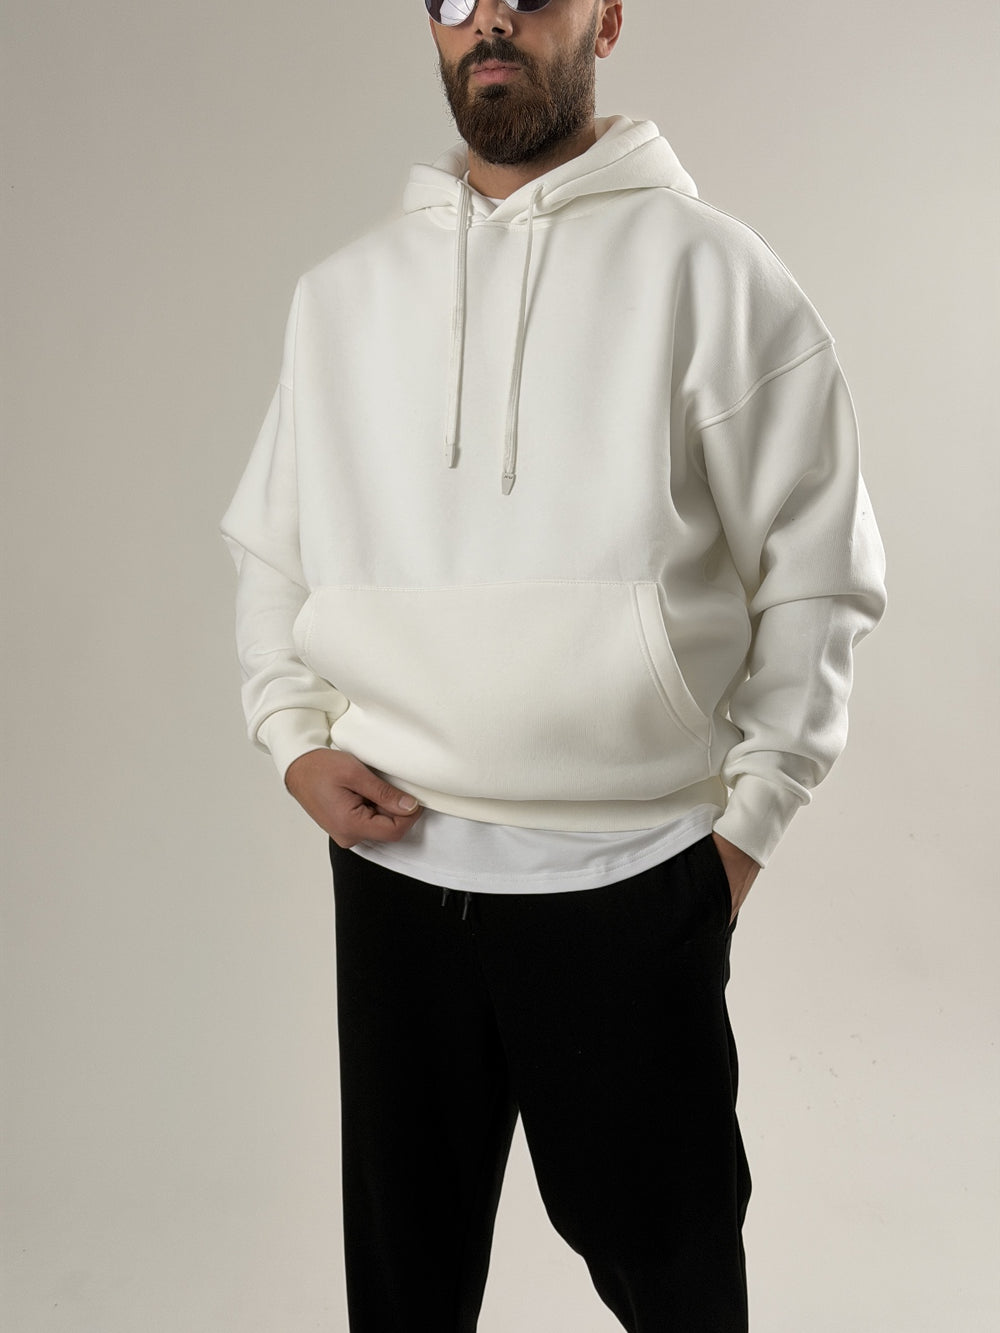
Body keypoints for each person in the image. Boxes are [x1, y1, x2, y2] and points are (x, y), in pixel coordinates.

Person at [221, 2, 886, 1329]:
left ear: (608, 17)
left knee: (678, 1287)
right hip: (396, 877)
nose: (491, 18)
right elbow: (272, 549)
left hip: (629, 878)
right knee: (404, 1300)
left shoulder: (715, 275)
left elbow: (819, 573)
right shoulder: (341, 297)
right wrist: (291, 737)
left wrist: (745, 831)